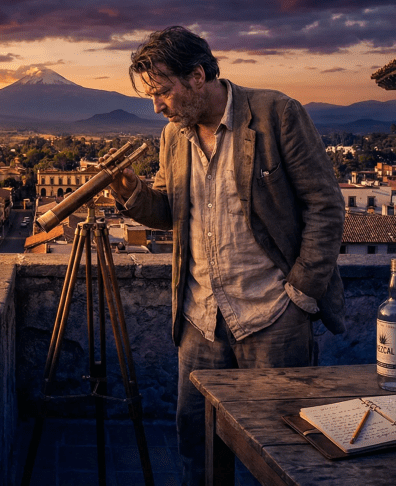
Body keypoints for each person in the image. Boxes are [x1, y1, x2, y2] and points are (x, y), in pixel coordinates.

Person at [108, 26, 346, 485]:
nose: (156, 106)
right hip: (201, 322)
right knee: (198, 450)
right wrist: (133, 193)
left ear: (197, 75)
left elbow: (325, 205)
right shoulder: (173, 138)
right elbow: (173, 211)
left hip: (274, 316)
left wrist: (300, 293)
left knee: (284, 450)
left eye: (162, 92)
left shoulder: (278, 115)